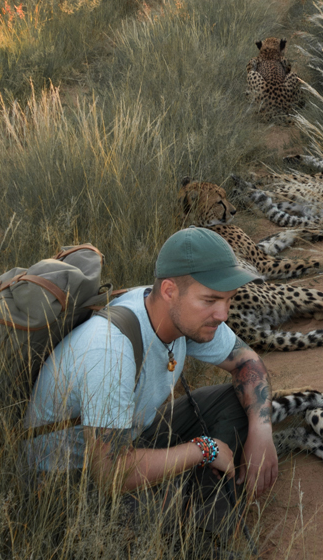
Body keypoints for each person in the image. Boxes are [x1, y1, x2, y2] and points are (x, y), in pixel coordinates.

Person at [23, 226, 279, 542]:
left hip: (129, 438)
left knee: (241, 403)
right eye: (211, 300)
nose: (223, 314)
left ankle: (205, 518)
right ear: (170, 290)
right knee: (148, 526)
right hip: (70, 482)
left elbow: (246, 363)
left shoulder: (176, 311)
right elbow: (111, 474)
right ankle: (201, 543)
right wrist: (204, 449)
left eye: (228, 300)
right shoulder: (110, 351)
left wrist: (262, 430)